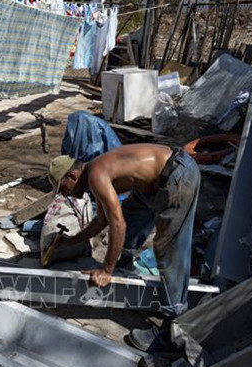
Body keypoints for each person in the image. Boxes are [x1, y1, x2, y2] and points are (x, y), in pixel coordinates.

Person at [47, 144, 200, 352]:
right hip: (155, 183)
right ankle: (125, 271)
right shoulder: (94, 173)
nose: (68, 195)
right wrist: (70, 240)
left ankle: (173, 329)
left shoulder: (97, 175)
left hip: (177, 176)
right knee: (130, 220)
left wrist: (106, 270)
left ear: (72, 175)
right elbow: (101, 220)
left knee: (169, 248)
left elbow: (117, 224)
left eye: (64, 188)